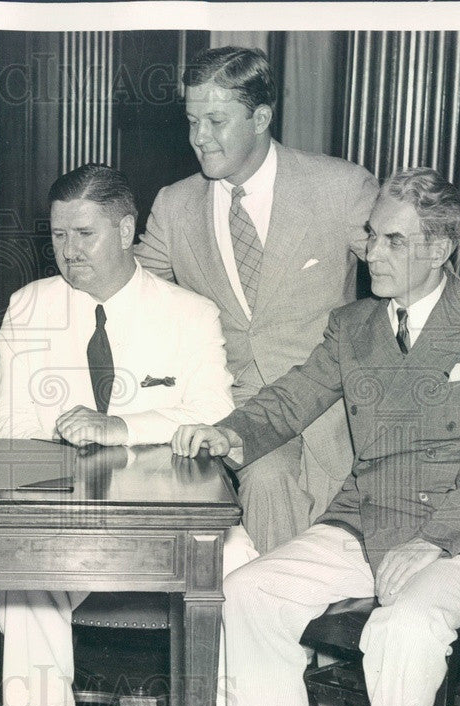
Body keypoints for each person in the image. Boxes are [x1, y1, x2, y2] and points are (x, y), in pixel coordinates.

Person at [172, 168, 460, 706]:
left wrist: (437, 541)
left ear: (440, 249)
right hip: (366, 522)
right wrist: (226, 433)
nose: (371, 254)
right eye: (370, 235)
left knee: (404, 630)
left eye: (394, 241)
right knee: (246, 594)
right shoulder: (354, 326)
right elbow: (292, 398)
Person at [0, 164, 237, 706]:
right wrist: (62, 431)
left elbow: (215, 419)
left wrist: (120, 427)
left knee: (243, 574)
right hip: (66, 514)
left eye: (85, 235)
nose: (68, 253)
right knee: (22, 576)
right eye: (57, 237)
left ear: (127, 230)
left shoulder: (189, 313)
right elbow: (10, 435)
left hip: (171, 518)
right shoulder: (27, 308)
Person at [135, 46, 380, 554]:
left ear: (262, 117)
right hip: (236, 414)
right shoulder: (174, 205)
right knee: (267, 479)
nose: (198, 137)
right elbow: (132, 296)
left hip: (333, 408)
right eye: (192, 120)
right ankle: (283, 620)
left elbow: (408, 274)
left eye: (216, 120)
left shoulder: (340, 187)